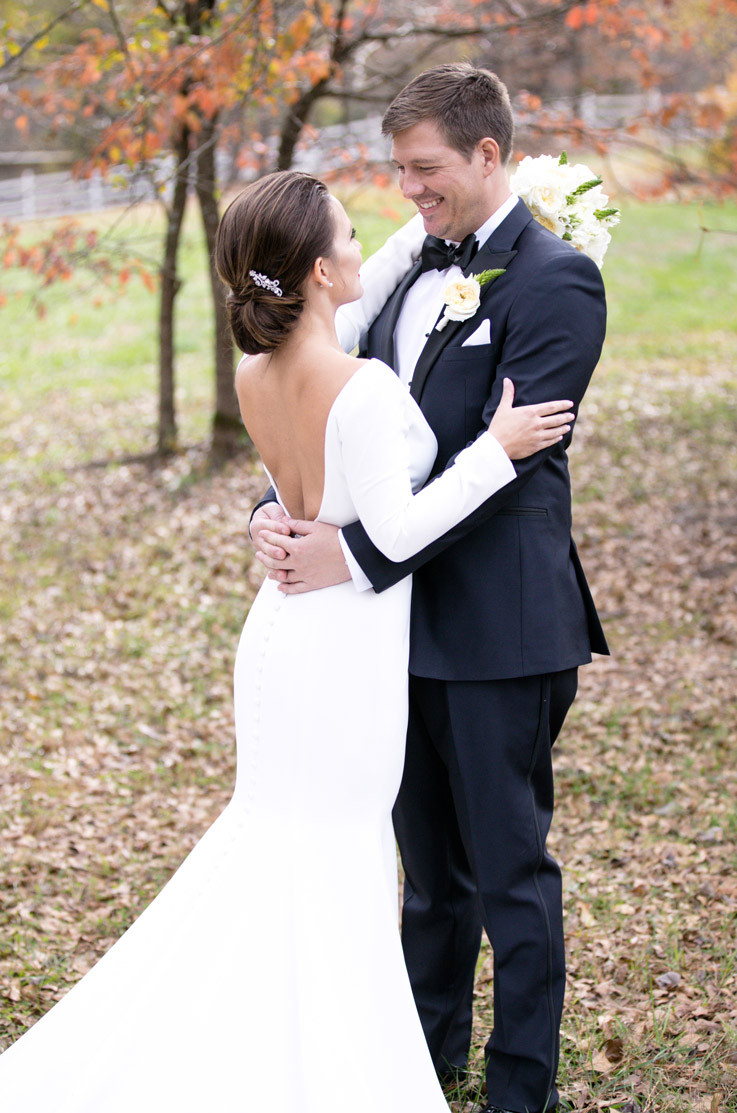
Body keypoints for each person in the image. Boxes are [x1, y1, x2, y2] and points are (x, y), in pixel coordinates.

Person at [0, 170, 574, 1112]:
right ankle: (332, 1067)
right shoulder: (362, 385)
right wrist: (494, 451)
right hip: (343, 649)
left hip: (280, 632)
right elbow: (394, 530)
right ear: (317, 271)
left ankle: (283, 1041)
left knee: (284, 842)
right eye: (348, 236)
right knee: (337, 848)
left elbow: (308, 468)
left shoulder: (254, 373)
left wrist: (473, 205)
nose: (363, 248)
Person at [251, 65, 610, 1113]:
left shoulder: (556, 283)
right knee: (428, 878)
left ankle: (519, 1088)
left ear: (487, 155)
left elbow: (508, 472)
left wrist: (353, 556)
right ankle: (423, 1060)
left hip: (499, 628)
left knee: (507, 872)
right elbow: (328, 409)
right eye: (399, 170)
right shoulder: (405, 271)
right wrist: (275, 506)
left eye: (424, 169)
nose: (407, 190)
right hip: (391, 634)